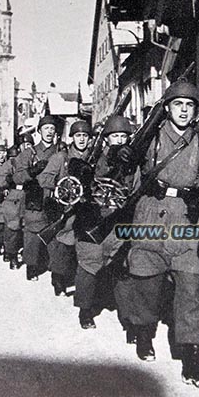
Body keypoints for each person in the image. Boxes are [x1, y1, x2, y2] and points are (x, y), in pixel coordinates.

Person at [122, 80, 199, 388]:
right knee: (147, 285)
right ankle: (143, 332)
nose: (183, 110)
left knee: (190, 291)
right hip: (150, 213)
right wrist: (124, 159)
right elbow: (123, 174)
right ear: (166, 108)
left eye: (189, 105)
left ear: (195, 110)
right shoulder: (149, 138)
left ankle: (192, 356)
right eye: (177, 104)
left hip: (186, 221)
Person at [73, 115, 133, 329]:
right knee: (89, 267)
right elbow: (87, 174)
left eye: (123, 136)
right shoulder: (95, 158)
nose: (118, 140)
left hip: (119, 222)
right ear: (106, 139)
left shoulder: (132, 161)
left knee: (122, 269)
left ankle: (128, 318)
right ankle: (85, 310)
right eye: (114, 136)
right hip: (93, 220)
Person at [37, 120, 92, 297]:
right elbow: (43, 178)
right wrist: (61, 186)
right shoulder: (62, 157)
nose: (82, 139)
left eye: (85, 136)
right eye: (78, 136)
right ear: (72, 138)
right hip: (67, 208)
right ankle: (58, 277)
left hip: (87, 208)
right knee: (64, 246)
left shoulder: (94, 157)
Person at [13, 116, 58, 281]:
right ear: (39, 131)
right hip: (35, 197)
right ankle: (31, 266)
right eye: (46, 128)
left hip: (54, 199)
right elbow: (17, 178)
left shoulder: (60, 152)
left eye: (52, 129)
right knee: (32, 234)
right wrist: (31, 172)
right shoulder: (29, 153)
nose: (49, 132)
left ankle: (56, 271)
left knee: (55, 234)